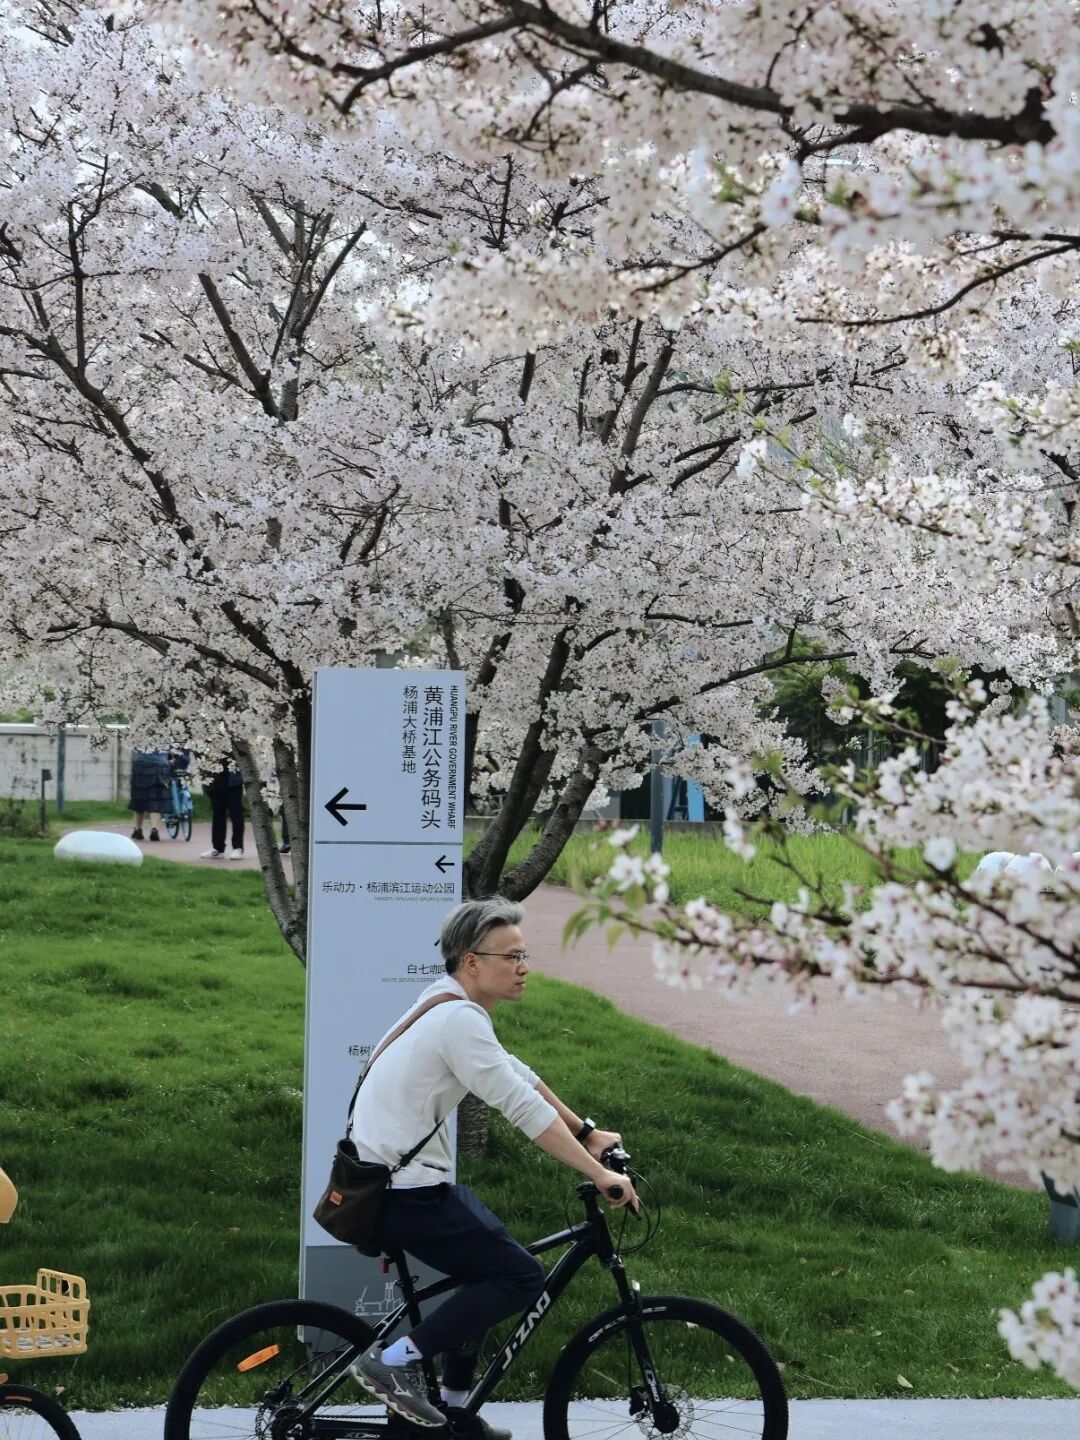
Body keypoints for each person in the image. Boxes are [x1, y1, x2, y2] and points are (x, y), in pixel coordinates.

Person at [349, 896, 637, 1431]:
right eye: (512, 957)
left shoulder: (448, 1004)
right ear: (472, 961)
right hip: (404, 1194)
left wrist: (587, 1133)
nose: (524, 967)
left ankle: (455, 1413)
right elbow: (521, 1108)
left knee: (487, 1274)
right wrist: (597, 1173)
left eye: (525, 955)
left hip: (398, 1186)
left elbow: (516, 1073)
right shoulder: (456, 1019)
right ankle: (392, 1362)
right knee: (520, 1276)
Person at [200, 755, 245, 859]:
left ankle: (238, 847)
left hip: (233, 780)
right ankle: (217, 848)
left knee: (236, 814)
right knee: (217, 814)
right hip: (215, 779)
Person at [129, 747, 171, 841]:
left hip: (141, 765)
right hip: (161, 765)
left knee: (139, 797)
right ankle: (154, 829)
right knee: (156, 798)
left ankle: (138, 830)